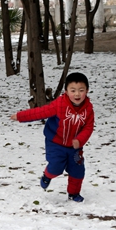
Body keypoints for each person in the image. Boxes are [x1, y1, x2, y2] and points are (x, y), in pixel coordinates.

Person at [10, 72, 94, 202]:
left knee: (78, 170)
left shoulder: (88, 109)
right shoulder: (60, 104)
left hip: (74, 147)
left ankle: (74, 194)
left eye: (81, 90)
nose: (77, 94)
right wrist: (20, 116)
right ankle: (47, 175)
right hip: (56, 143)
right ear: (66, 91)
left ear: (87, 91)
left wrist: (79, 140)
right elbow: (41, 112)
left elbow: (88, 127)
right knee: (56, 167)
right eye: (73, 90)